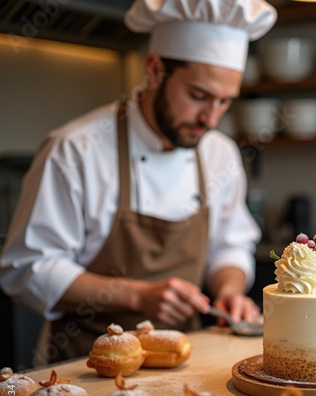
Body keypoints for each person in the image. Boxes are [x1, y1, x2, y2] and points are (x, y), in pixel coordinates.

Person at [0, 0, 277, 365]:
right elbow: (28, 267)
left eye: (225, 102)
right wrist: (137, 296)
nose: (210, 118)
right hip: (83, 366)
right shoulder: (75, 150)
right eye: (198, 96)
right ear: (155, 69)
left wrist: (229, 290)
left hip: (184, 360)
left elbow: (229, 244)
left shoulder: (219, 153)